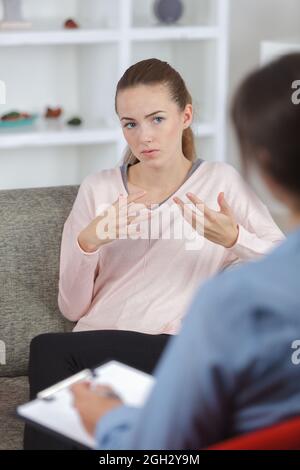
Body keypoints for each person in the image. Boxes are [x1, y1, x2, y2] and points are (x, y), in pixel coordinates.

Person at [24, 58, 283, 449]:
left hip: (173, 352)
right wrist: (87, 244)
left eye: (157, 118)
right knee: (49, 351)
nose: (144, 136)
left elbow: (287, 267)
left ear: (186, 115)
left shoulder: (219, 181)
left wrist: (234, 240)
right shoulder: (98, 189)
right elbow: (73, 309)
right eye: (130, 123)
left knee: (50, 351)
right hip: (96, 351)